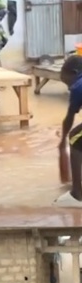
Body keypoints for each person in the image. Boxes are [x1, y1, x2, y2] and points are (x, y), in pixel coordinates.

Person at [55, 55, 82, 208]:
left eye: (67, 82)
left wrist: (63, 139)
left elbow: (69, 117)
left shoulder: (78, 86)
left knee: (74, 139)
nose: (68, 88)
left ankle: (77, 194)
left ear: (74, 72)